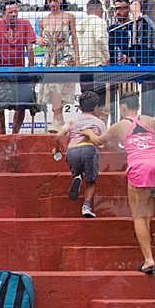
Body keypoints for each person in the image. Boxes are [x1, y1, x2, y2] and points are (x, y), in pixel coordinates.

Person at [89, 93, 155, 273]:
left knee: (139, 216)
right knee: (149, 214)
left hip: (139, 169)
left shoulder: (119, 126)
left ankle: (149, 259)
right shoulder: (152, 121)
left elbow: (98, 141)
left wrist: (87, 132)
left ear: (123, 108)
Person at [0, 1, 37, 135]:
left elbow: (30, 49)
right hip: (2, 71)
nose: (14, 14)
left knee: (23, 104)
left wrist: (31, 72)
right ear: (4, 14)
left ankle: (15, 134)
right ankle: (1, 137)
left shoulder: (25, 23)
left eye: (16, 12)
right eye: (10, 12)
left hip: (20, 71)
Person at [57, 91, 106, 219]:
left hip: (72, 150)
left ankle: (77, 177)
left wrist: (57, 149)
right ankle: (86, 206)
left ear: (79, 107)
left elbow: (58, 135)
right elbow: (102, 143)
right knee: (91, 181)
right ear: (95, 108)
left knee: (78, 171)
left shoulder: (73, 120)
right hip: (89, 149)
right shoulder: (98, 122)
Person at [37, 0, 79, 132]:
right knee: (52, 87)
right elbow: (40, 42)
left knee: (56, 84)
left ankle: (57, 118)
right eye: (50, 1)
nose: (53, 3)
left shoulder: (69, 17)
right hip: (49, 57)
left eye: (55, 0)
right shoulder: (42, 20)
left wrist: (78, 61)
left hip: (65, 55)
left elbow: (74, 39)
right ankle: (58, 118)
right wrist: (39, 40)